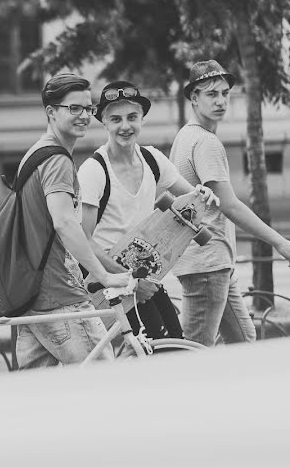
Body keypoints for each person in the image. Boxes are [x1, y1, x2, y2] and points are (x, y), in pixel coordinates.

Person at [78, 81, 219, 341]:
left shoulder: (152, 159)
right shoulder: (94, 170)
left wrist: (203, 194)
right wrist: (129, 279)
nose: (125, 126)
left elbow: (190, 195)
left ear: (142, 118)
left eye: (132, 117)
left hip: (145, 275)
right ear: (104, 123)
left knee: (174, 342)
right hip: (109, 279)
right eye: (116, 119)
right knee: (150, 349)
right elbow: (83, 239)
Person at [169, 60, 290, 347]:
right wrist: (279, 241)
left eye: (225, 93)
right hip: (206, 266)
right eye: (211, 94)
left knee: (244, 341)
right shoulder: (205, 142)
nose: (221, 101)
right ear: (194, 98)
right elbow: (230, 205)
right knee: (195, 350)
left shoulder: (185, 136)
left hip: (213, 264)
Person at [14, 74, 129, 369]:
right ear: (51, 112)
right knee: (104, 384)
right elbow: (64, 223)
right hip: (59, 296)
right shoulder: (57, 161)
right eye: (74, 108)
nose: (84, 116)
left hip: (31, 296)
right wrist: (102, 276)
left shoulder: (35, 154)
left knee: (42, 402)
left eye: (88, 109)